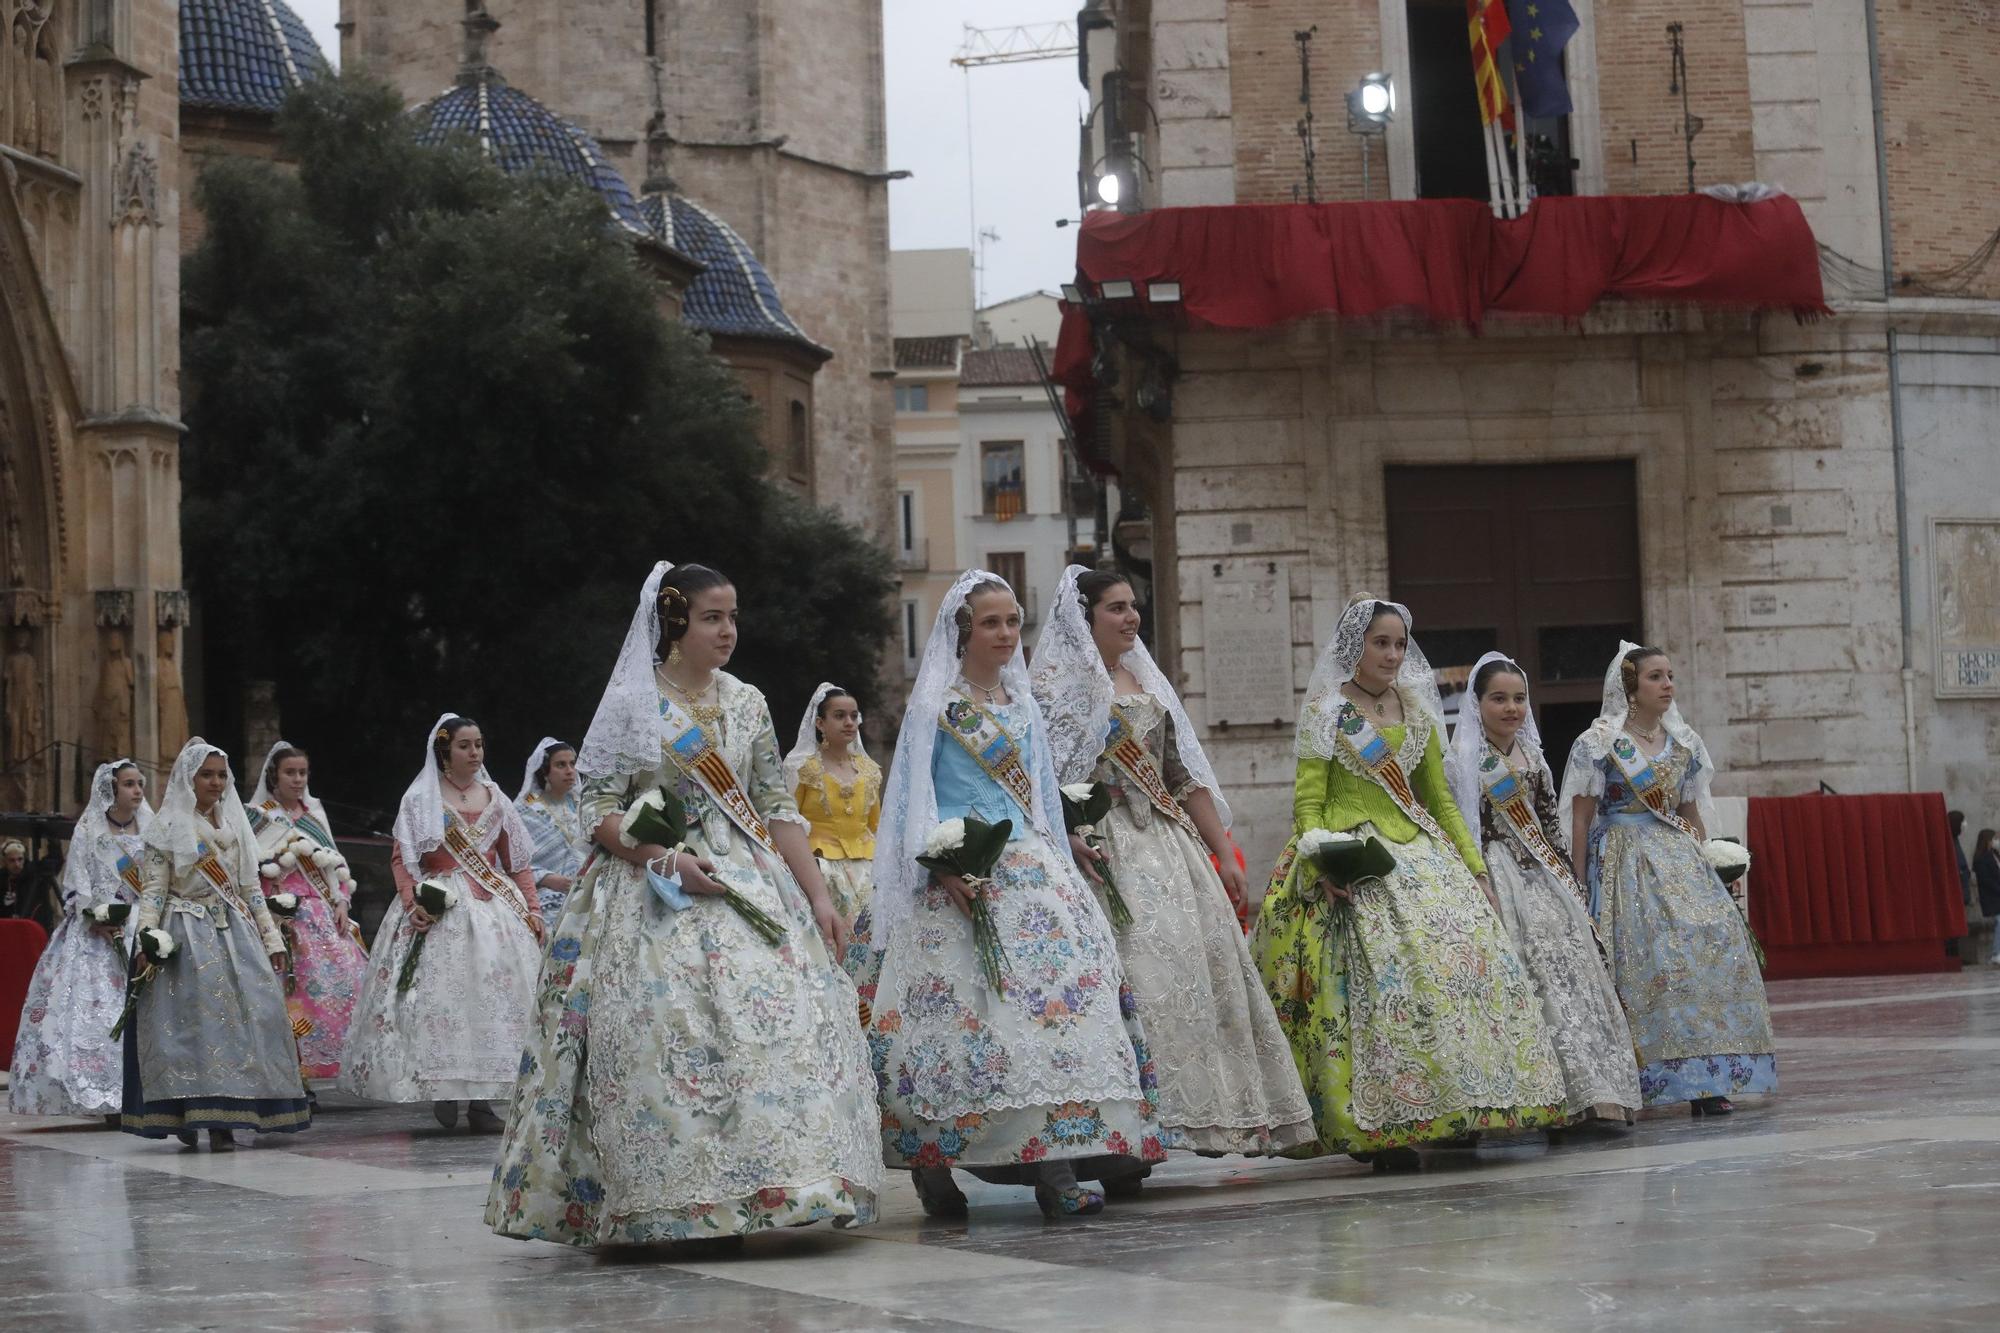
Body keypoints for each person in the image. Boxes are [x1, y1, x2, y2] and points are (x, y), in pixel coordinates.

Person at [486, 562, 880, 1248]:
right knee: (672, 1031)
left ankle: (784, 1183)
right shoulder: (636, 701)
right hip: (651, 886)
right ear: (674, 623)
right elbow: (598, 808)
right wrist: (664, 857)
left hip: (748, 875)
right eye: (712, 617)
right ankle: (676, 1193)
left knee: (779, 1024)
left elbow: (776, 805)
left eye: (732, 617)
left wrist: (817, 895)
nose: (728, 630)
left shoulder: (749, 701)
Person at [851, 569, 1167, 1219]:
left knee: (1057, 1020)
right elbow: (914, 802)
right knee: (948, 1027)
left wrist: (1067, 842)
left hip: (1035, 868)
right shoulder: (934, 708)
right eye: (991, 622)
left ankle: (1055, 1164)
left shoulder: (1021, 705)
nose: (1004, 634)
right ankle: (931, 1165)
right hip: (960, 876)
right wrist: (942, 866)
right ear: (964, 631)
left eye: (1012, 621)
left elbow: (1039, 798)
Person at [1252, 596, 1565, 1170]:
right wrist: (1322, 862)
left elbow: (1441, 802)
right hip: (1353, 852)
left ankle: (1454, 1105)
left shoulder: (1418, 711)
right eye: (1381, 643)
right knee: (1375, 988)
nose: (1393, 654)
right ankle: (1381, 1125)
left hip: (1418, 849)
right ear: (1356, 647)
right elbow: (1309, 800)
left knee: (1456, 969)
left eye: (1399, 643)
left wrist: (1474, 871)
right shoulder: (1327, 711)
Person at [1031, 565, 1313, 1157]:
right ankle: (1127, 1130)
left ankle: (1200, 1114)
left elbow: (1181, 775)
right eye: (1116, 608)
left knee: (1194, 977)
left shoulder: (1145, 679)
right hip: (1100, 848)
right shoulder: (1054, 686)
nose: (1131, 617)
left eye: (1133, 606)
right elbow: (1045, 781)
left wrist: (1221, 850)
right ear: (1085, 618)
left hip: (1166, 844)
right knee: (1134, 983)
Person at [1561, 642, 1777, 1116]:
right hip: (1623, 862)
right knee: (1644, 967)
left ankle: (1709, 1078)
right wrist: (1576, 884)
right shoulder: (1599, 743)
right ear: (1630, 688)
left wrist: (1710, 861)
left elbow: (1690, 812)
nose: (1668, 685)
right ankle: (1637, 1077)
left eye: (1671, 675)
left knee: (1708, 957)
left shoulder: (1684, 743)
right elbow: (1580, 819)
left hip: (1680, 861)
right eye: (1656, 677)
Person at [1444, 654, 1641, 1127]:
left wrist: (1567, 882)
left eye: (1518, 698)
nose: (1511, 708)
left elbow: (1549, 822)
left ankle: (1589, 1095)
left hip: (1541, 875)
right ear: (1476, 704)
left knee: (1572, 978)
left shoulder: (1532, 755)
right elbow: (1459, 829)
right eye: (1499, 699)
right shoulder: (1461, 761)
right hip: (1494, 874)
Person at [339, 715, 545, 1133]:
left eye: (479, 745)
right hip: (441, 907)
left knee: (493, 998)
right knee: (445, 1001)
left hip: (493, 912)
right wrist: (413, 901)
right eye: (465, 746)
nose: (475, 753)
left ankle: (484, 1102)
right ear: (445, 753)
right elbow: (403, 858)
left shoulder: (496, 798)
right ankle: (447, 1089)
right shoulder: (421, 799)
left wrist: (533, 909)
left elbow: (517, 863)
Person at [122, 740, 310, 1148]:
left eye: (221, 774)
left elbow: (249, 888)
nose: (215, 782)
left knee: (248, 1023)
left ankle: (228, 1118)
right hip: (185, 934)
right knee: (192, 1030)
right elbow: (153, 890)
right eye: (207, 774)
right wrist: (147, 939)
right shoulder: (167, 826)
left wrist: (271, 937)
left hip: (233, 932)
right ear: (189, 778)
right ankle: (192, 1115)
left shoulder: (236, 824)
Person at [9, 760, 151, 1117]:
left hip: (141, 923)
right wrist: (95, 916)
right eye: (129, 784)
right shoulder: (89, 829)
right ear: (111, 789)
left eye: (140, 783)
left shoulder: (151, 828)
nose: (137, 791)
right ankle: (109, 1096)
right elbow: (75, 882)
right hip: (97, 932)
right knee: (97, 1013)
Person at [246, 741, 368, 1084]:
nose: (297, 779)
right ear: (274, 775)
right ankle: (292, 1070)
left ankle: (332, 1063)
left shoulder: (314, 816)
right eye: (290, 772)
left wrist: (342, 902)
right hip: (279, 915)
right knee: (287, 991)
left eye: (302, 772)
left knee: (344, 981)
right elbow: (251, 871)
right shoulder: (257, 817)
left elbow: (337, 867)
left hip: (321, 914)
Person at [784, 683, 882, 923]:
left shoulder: (870, 770)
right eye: (839, 716)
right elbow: (788, 821)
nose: (849, 722)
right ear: (820, 723)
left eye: (854, 716)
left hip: (867, 868)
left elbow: (875, 825)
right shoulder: (803, 768)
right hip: (820, 868)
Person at [515, 737, 585, 922]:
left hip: (590, 887)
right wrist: (546, 878)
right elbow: (508, 861)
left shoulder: (583, 805)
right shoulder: (524, 810)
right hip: (547, 894)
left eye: (572, 764)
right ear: (545, 770)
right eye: (561, 765)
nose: (570, 771)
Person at [1, 836, 58, 934]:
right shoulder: (2, 879)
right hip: (7, 931)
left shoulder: (34, 874)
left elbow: (56, 859)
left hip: (32, 929)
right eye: (12, 860)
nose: (17, 864)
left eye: (20, 859)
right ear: (5, 861)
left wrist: (52, 839)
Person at [1973, 828, 2000, 924]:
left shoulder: (1995, 855)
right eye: (1995, 839)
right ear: (1987, 841)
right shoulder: (1981, 859)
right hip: (1993, 899)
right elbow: (1986, 881)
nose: (1997, 841)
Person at [1950, 810, 1972, 905]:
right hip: (1958, 894)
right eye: (1962, 821)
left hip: (1962, 893)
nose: (1965, 824)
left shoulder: (1955, 840)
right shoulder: (1951, 842)